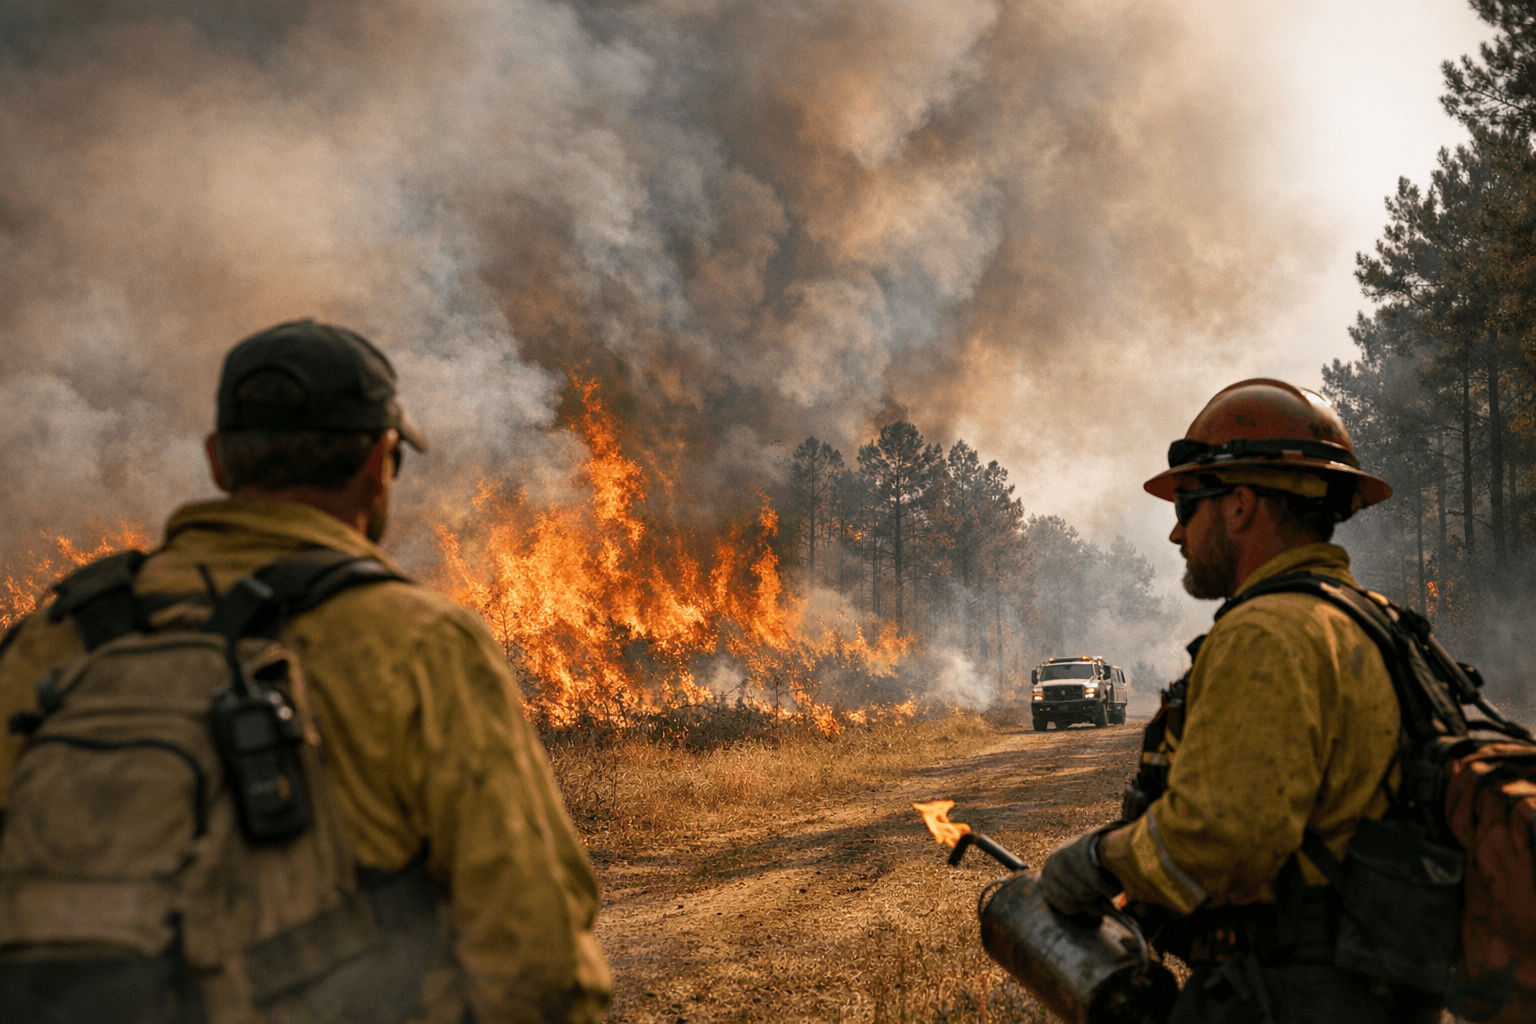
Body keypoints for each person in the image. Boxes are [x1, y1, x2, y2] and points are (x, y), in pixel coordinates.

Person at [0, 319, 612, 1023]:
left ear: (219, 464)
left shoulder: (52, 640)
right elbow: (537, 957)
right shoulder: (420, 645)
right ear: (379, 463)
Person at [1037, 379, 1442, 1023]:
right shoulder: (1375, 622)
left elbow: (1223, 839)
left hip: (1286, 994)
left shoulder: (1265, 632)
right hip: (1376, 987)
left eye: (1187, 507)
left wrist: (1095, 862)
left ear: (1241, 505)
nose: (1176, 536)